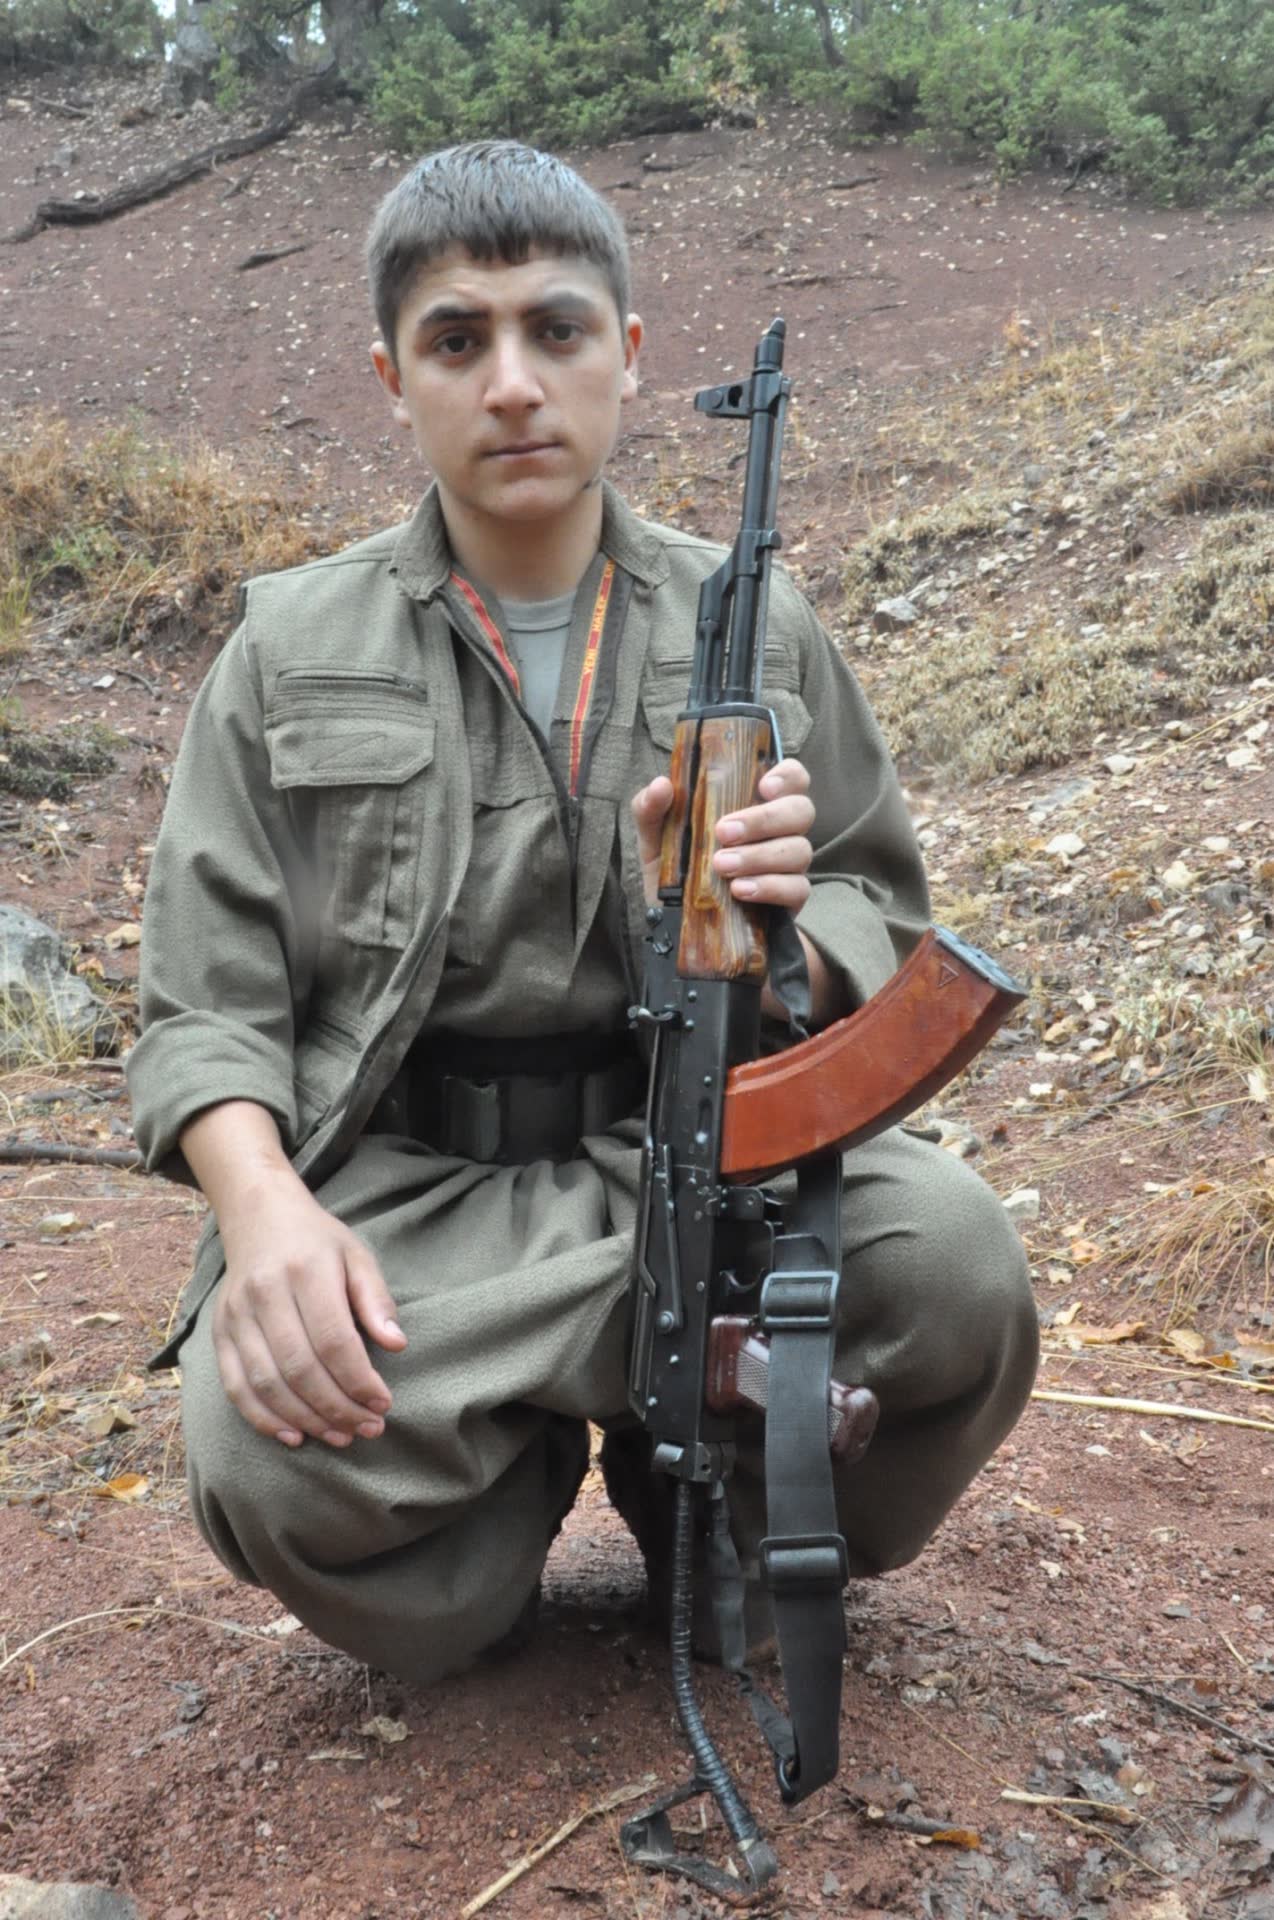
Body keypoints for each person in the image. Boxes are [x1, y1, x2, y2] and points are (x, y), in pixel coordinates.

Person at [127, 140, 1039, 1684]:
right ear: (391, 377)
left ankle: (716, 1498)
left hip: (707, 1158)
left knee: (952, 1268)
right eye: (456, 341)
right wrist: (265, 1215)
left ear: (625, 354)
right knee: (265, 1442)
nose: (511, 386)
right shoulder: (288, 648)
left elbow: (880, 904)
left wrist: (781, 924)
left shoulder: (752, 623)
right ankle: (510, 1494)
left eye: (554, 331)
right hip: (418, 1203)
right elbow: (203, 1003)